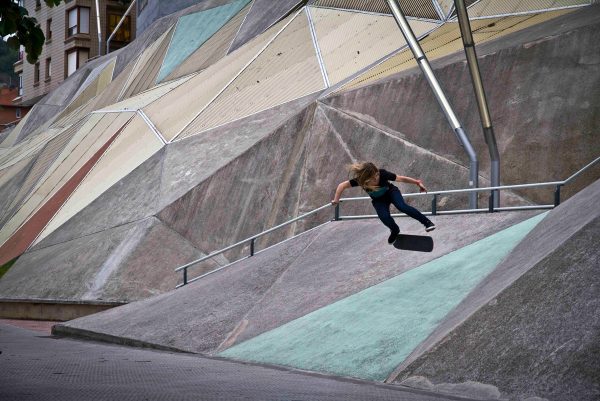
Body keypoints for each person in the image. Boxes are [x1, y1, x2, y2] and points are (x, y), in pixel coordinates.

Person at [332, 162, 436, 244]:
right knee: (384, 217)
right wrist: (336, 199)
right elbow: (342, 185)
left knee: (402, 206)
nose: (376, 178)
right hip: (378, 200)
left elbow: (400, 178)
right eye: (373, 178)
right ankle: (395, 230)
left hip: (391, 192)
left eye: (377, 175)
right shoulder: (360, 180)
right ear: (366, 179)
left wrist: (417, 183)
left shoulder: (382, 174)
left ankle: (427, 223)